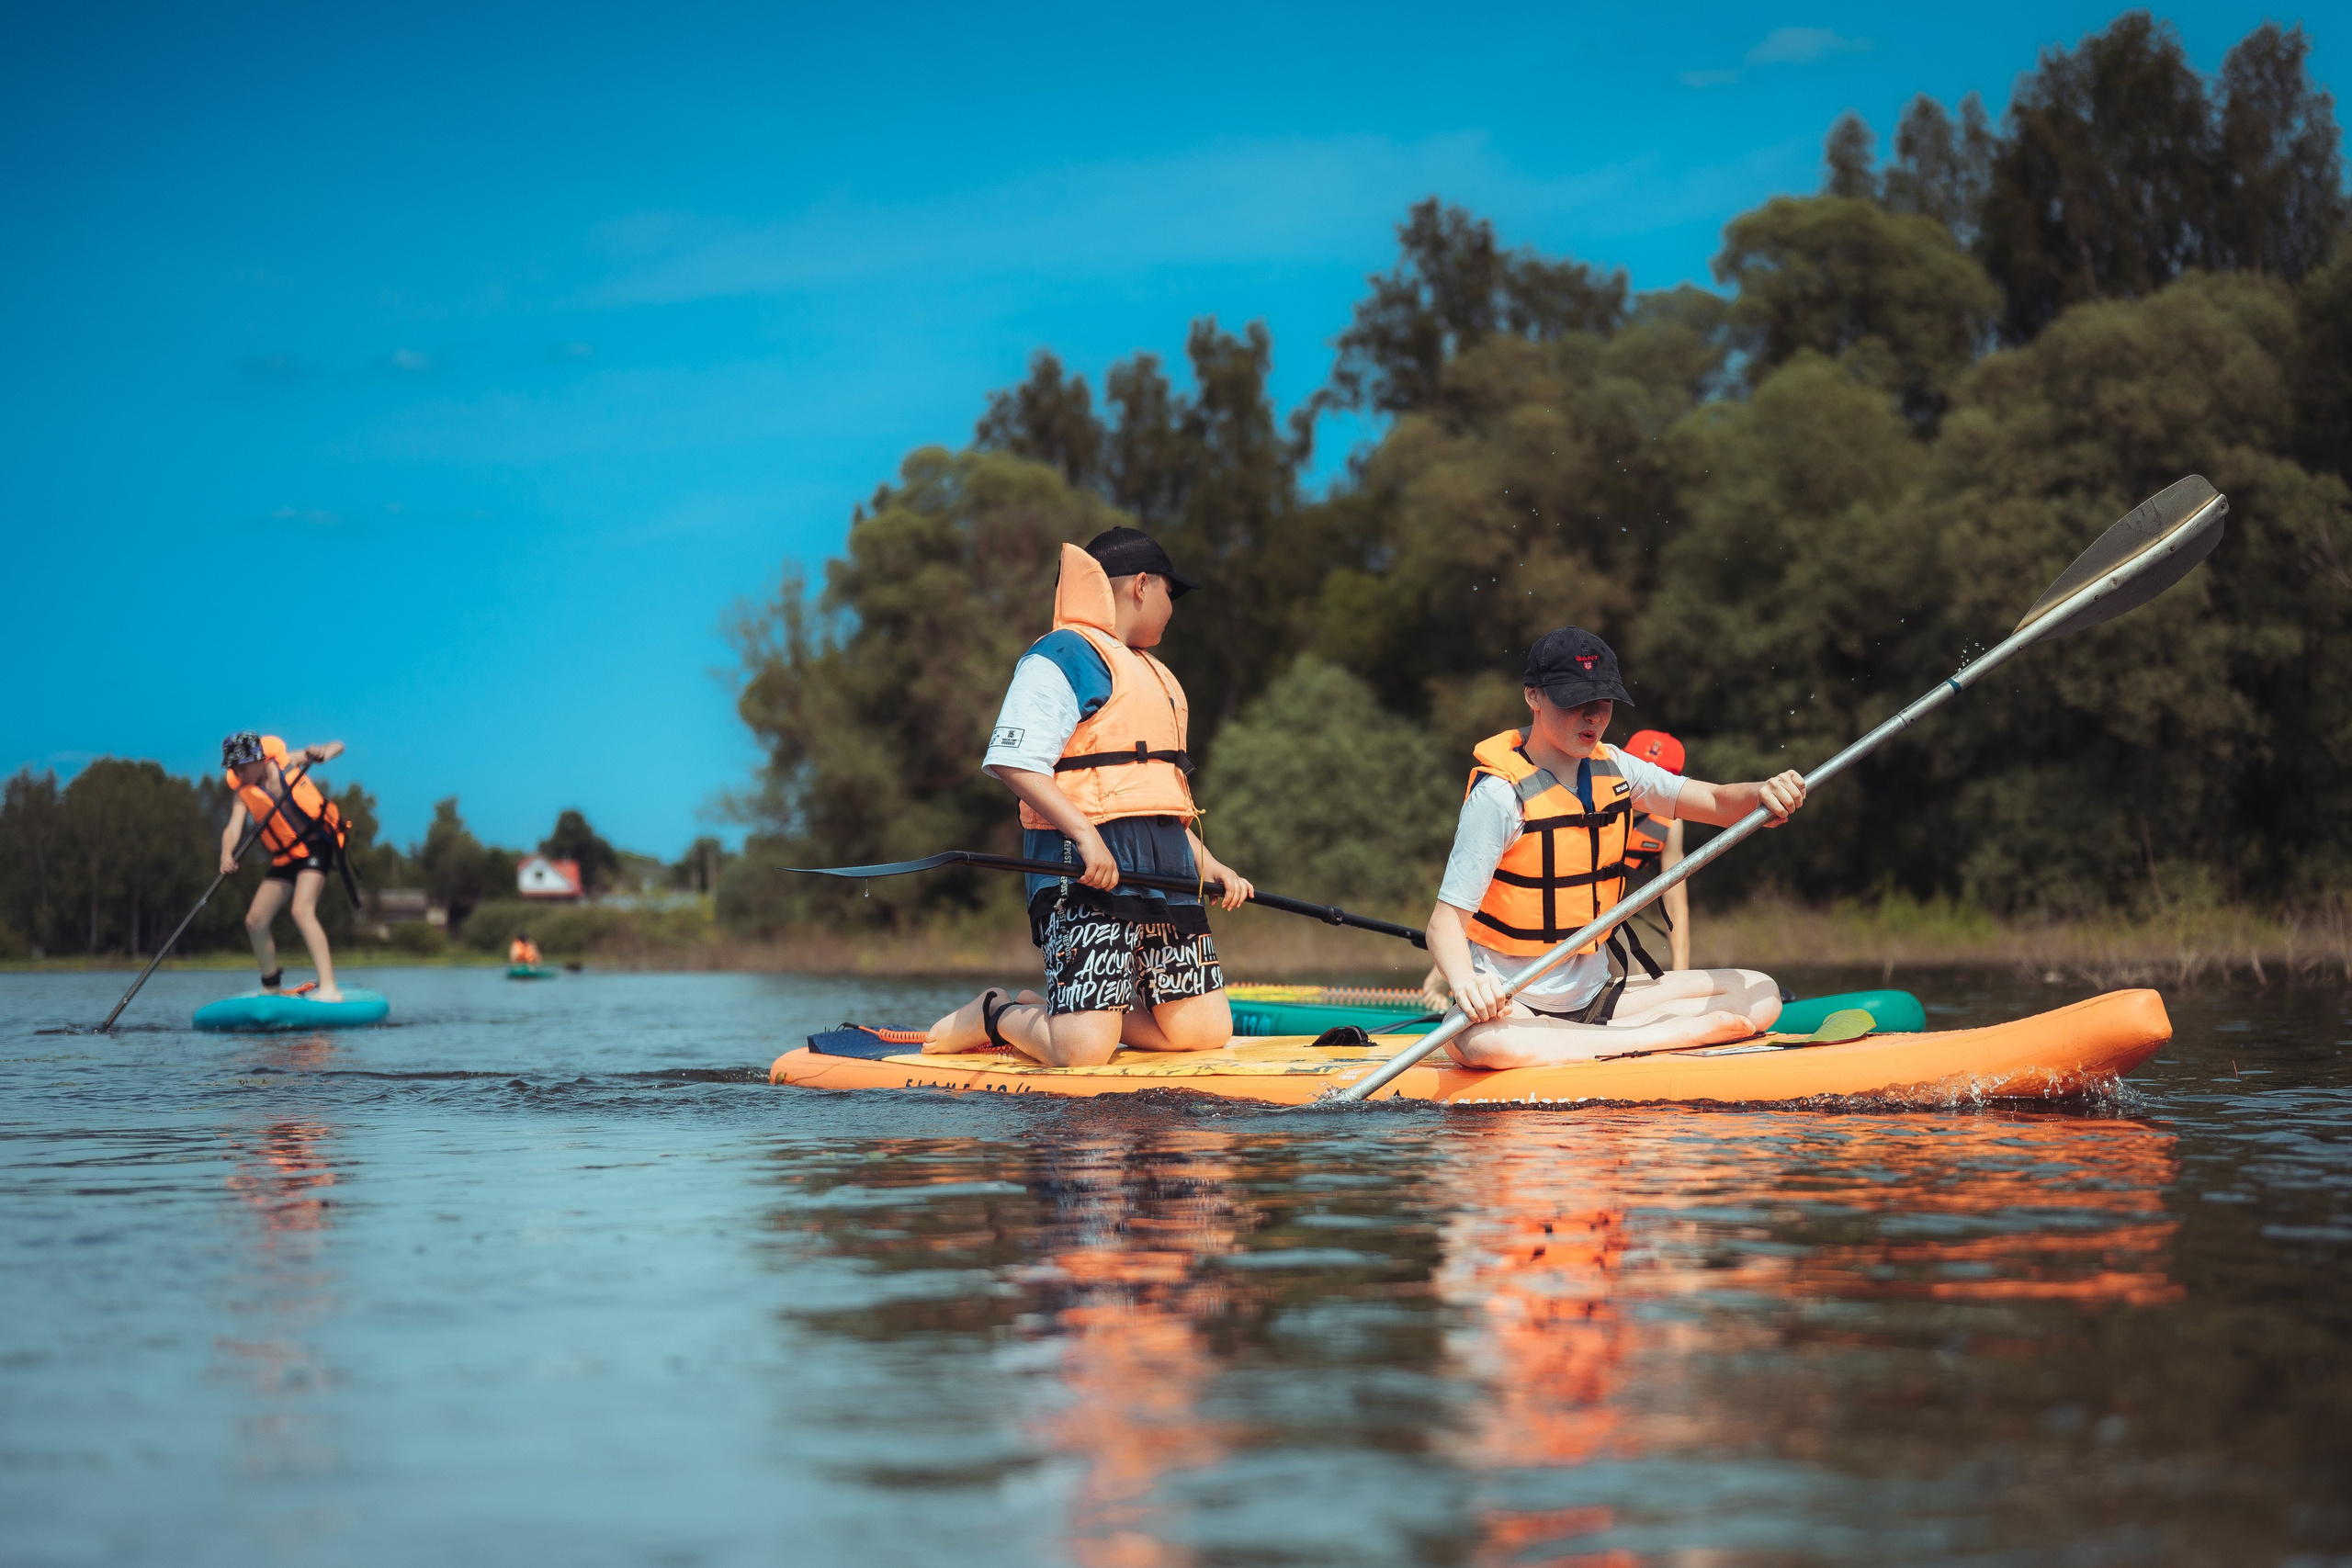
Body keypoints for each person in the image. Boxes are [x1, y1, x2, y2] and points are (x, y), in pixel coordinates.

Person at [925, 527, 1255, 1067]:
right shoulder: (1064, 655)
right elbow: (1013, 758)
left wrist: (1210, 863)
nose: (1174, 610)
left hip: (1163, 875)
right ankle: (997, 1013)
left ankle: (1069, 1012)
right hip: (1084, 873)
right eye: (1173, 594)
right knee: (1083, 1052)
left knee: (1204, 1029)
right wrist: (1084, 837)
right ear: (1143, 586)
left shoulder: (1155, 676)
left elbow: (1154, 802)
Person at [1423, 629, 1806, 1068]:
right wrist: (1467, 984)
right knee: (1482, 1044)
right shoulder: (1498, 798)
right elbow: (1444, 925)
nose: (1592, 717)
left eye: (1603, 703)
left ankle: (1609, 1039)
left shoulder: (1617, 767)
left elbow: (1718, 801)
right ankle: (1659, 1037)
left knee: (1760, 992)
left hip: (1598, 998)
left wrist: (1762, 792)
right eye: (1574, 701)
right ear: (1533, 696)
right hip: (1515, 1005)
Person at [220, 732, 351, 1003]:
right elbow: (233, 828)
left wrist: (322, 751)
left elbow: (338, 744)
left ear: (259, 759)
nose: (239, 773)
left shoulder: (285, 762)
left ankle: (329, 988)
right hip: (286, 855)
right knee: (255, 920)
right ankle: (271, 987)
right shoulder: (242, 793)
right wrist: (226, 853)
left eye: (242, 766)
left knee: (302, 910)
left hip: (318, 844)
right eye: (233, 768)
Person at [1617, 728, 1692, 974]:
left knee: (1643, 973)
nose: (1643, 783)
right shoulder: (1596, 805)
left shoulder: (1669, 825)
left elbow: (1675, 905)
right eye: (1638, 769)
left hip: (1609, 907)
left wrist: (1681, 975)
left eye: (1656, 777)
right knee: (1630, 970)